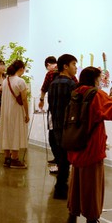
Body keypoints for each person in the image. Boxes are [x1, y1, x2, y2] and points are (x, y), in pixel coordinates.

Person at [67, 66, 112, 223]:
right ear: (94, 79)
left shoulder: (76, 93)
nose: (100, 83)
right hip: (91, 147)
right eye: (99, 79)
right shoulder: (96, 95)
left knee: (76, 183)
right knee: (93, 185)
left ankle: (72, 215)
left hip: (76, 143)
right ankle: (92, 221)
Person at [47, 54, 78, 200]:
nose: (76, 68)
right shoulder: (71, 85)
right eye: (73, 64)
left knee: (62, 159)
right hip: (68, 127)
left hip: (57, 125)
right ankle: (61, 189)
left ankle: (61, 188)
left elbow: (51, 105)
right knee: (66, 160)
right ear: (65, 66)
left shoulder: (52, 84)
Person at [0, 59, 29, 169]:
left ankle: (7, 158)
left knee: (6, 132)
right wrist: (27, 113)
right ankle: (14, 159)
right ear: (21, 69)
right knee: (16, 131)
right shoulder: (20, 81)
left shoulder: (5, 81)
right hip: (16, 110)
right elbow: (24, 99)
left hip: (5, 110)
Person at [37, 55, 60, 172]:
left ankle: (59, 160)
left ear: (48, 65)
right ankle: (59, 159)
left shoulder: (50, 74)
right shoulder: (68, 74)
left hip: (54, 109)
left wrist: (41, 100)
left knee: (53, 135)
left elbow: (44, 88)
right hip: (67, 111)